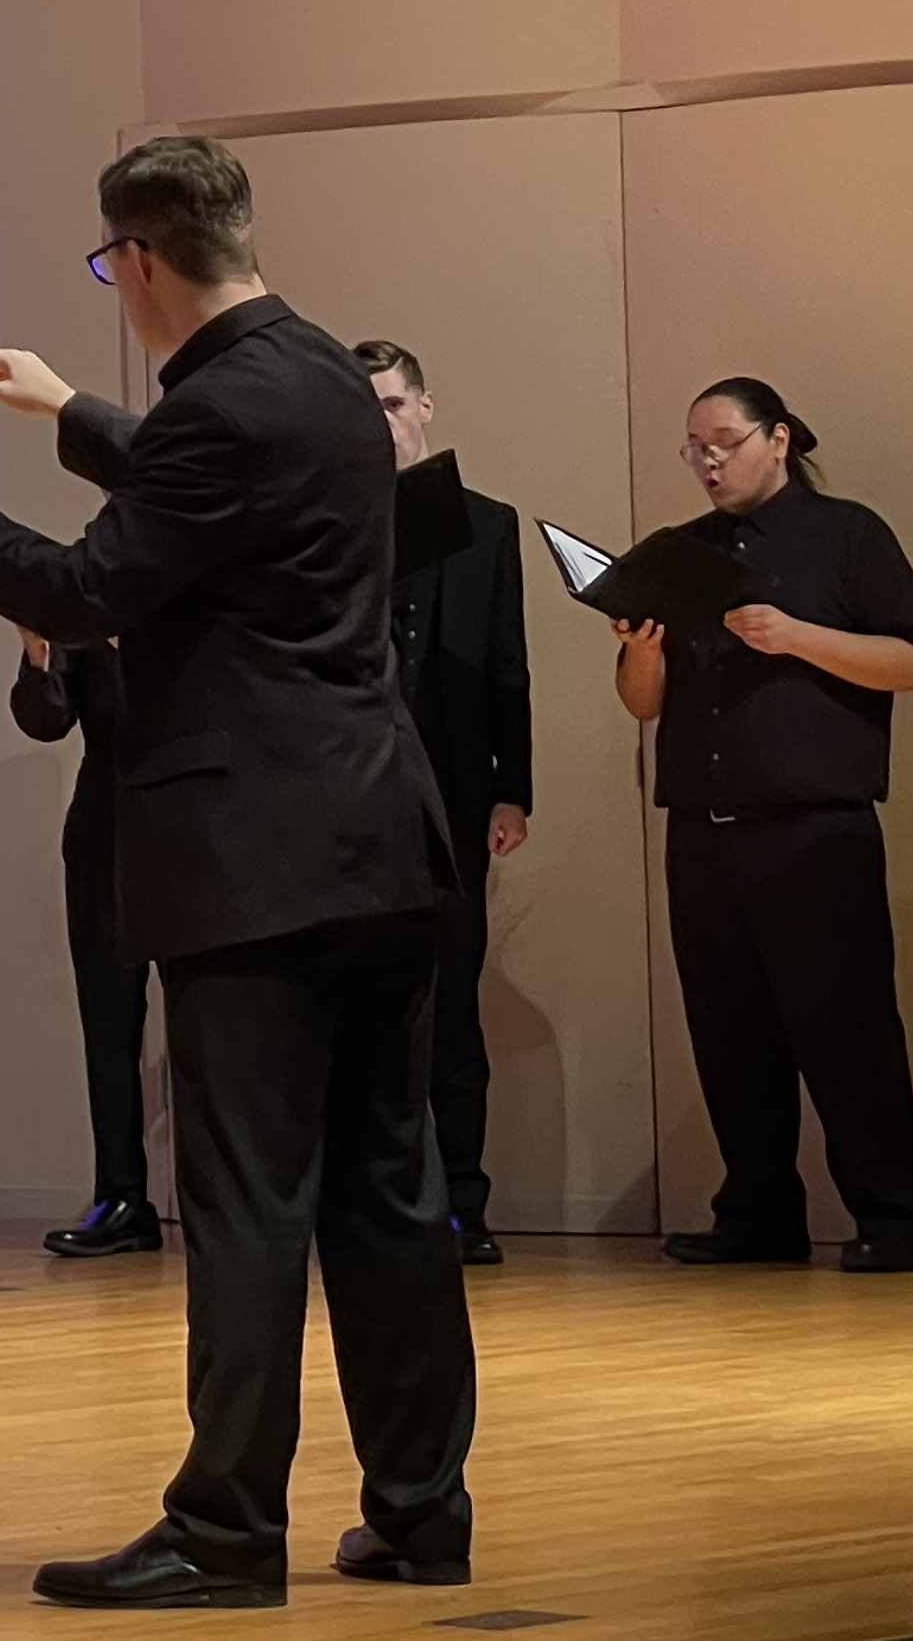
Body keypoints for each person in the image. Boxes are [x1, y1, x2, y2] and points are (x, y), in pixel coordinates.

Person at [0, 134, 473, 1606]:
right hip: (378, 836)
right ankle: (423, 1509)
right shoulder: (315, 368)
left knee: (249, 1198)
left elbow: (83, 588)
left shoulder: (216, 407)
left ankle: (228, 1529)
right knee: (387, 1189)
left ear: (141, 260)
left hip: (254, 854)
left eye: (110, 264)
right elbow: (219, 483)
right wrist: (67, 408)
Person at [619, 378, 913, 1274]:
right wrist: (642, 650)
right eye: (692, 446)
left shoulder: (847, 534)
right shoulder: (678, 552)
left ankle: (893, 1213)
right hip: (700, 824)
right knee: (727, 1029)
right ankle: (756, 1211)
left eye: (723, 440)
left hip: (815, 827)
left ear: (780, 437)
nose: (706, 460)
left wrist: (797, 635)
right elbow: (641, 704)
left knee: (846, 1026)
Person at [359, 342, 532, 1265]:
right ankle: (379, 1201)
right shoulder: (333, 521)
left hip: (456, 793)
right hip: (355, 796)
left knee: (453, 1008)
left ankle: (462, 1199)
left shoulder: (487, 524)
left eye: (391, 403)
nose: (380, 421)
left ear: (423, 406)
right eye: (363, 407)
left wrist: (514, 787)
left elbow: (509, 664)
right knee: (366, 1007)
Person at [10, 633, 157, 1260]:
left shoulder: (205, 593)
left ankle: (229, 1201)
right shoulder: (87, 612)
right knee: (109, 1026)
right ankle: (122, 1197)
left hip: (198, 836)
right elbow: (44, 721)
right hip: (105, 840)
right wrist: (38, 654)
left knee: (218, 1030)